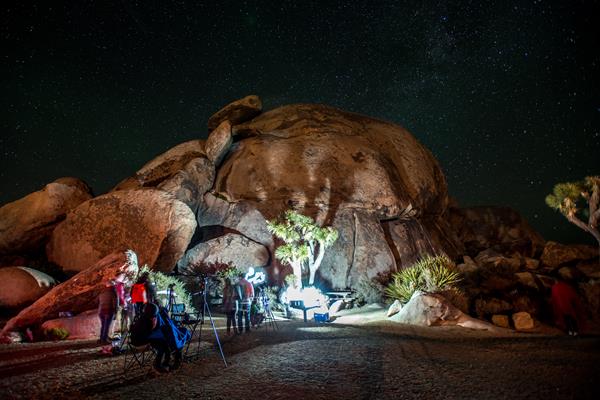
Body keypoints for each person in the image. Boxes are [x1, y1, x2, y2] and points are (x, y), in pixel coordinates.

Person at [130, 303, 190, 372]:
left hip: (139, 340)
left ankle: (164, 363)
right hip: (141, 340)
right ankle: (161, 364)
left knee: (166, 341)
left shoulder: (143, 318)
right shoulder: (147, 321)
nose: (153, 319)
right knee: (166, 342)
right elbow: (151, 331)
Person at [97, 279, 119, 344]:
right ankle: (104, 339)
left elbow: (98, 302)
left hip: (101, 311)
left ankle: (102, 338)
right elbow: (115, 303)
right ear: (112, 285)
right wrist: (116, 311)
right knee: (106, 326)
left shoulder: (102, 292)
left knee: (103, 325)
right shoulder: (113, 292)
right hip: (109, 310)